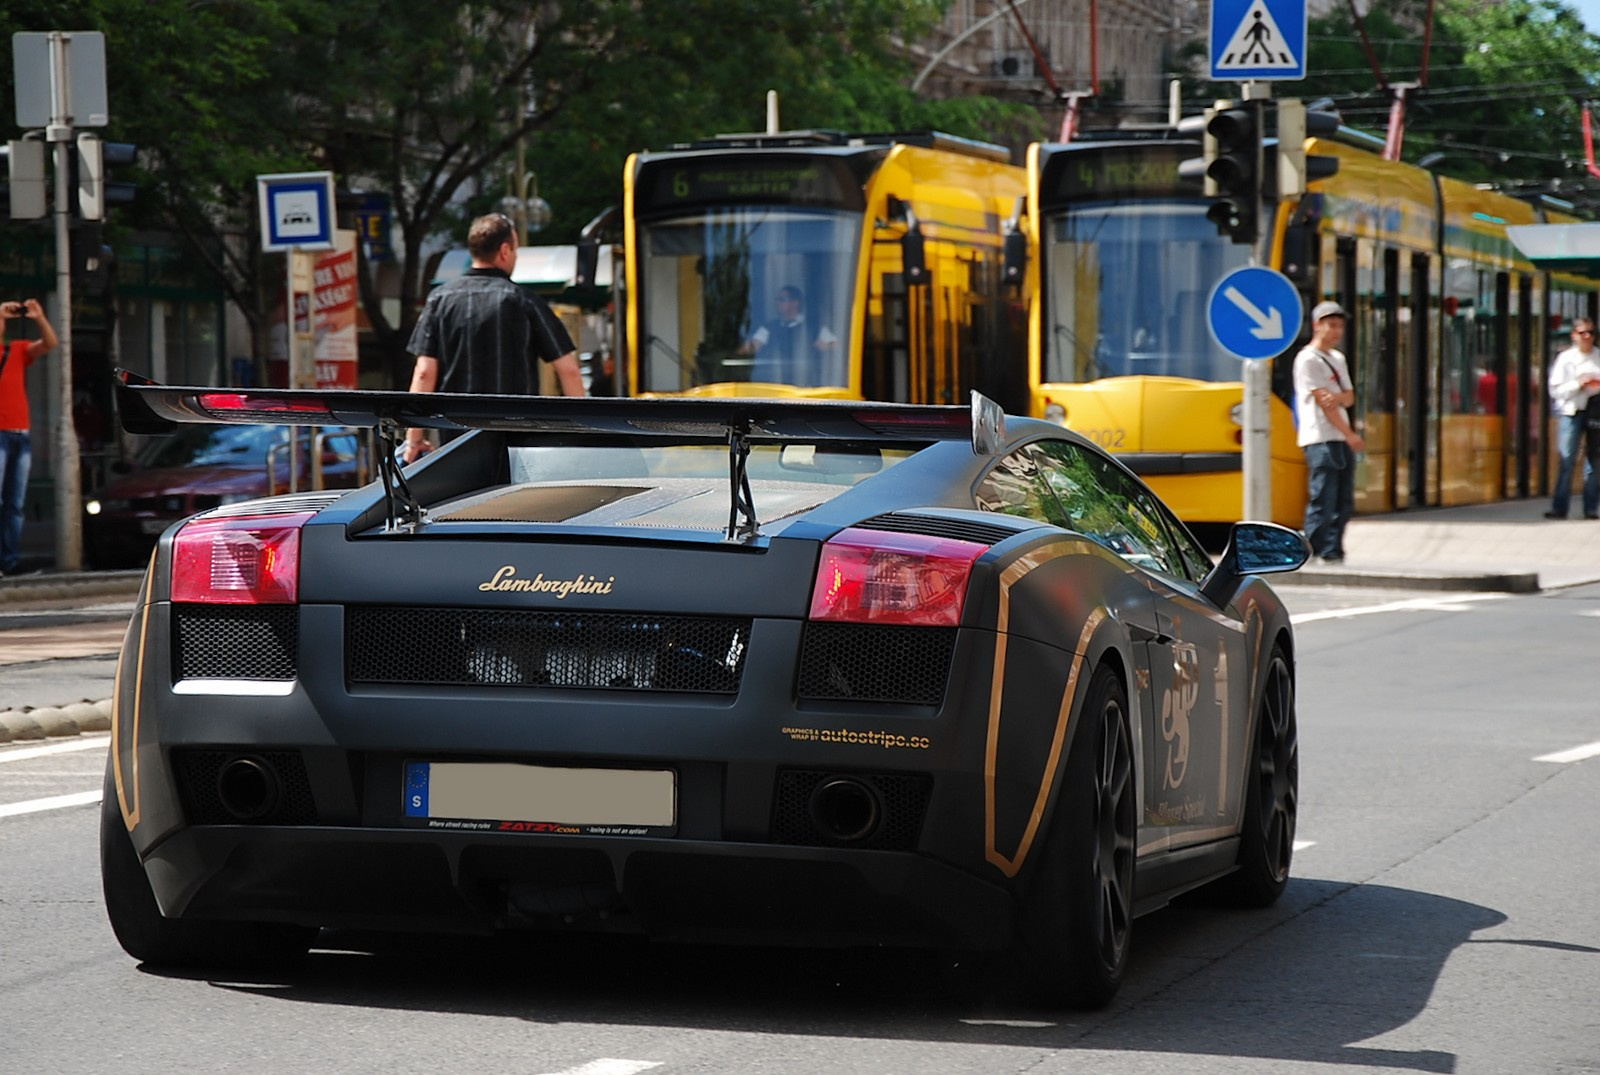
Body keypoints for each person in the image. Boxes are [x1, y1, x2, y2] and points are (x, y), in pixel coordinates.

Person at [403, 213, 585, 462]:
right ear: (504, 250)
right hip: (516, 443)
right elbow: (569, 371)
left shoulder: (440, 299)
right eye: (516, 250)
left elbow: (424, 372)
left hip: (455, 442)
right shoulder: (525, 301)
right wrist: (584, 433)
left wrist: (413, 440)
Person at [1293, 300, 1365, 563]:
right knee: (1323, 497)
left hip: (1338, 437)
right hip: (1320, 438)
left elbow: (1348, 397)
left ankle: (1333, 551)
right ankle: (1311, 550)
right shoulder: (1307, 359)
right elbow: (1328, 406)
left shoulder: (1338, 358)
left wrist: (1338, 398)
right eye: (1331, 325)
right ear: (1317, 326)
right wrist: (1350, 434)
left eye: (1340, 326)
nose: (1337, 331)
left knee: (1343, 501)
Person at [0, 298, 58, 577]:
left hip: (19, 435)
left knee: (15, 504)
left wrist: (38, 316)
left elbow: (50, 343)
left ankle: (10, 562)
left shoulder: (16, 350)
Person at [1544, 317, 1600, 519]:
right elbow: (1556, 390)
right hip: (1571, 412)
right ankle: (1560, 507)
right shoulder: (1566, 359)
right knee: (1567, 457)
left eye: (1591, 333)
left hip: (1595, 412)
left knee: (1594, 460)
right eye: (1583, 333)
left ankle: (1591, 508)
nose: (1587, 337)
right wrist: (1578, 383)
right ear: (1574, 335)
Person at [739, 285, 837, 384]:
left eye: (782, 299)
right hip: (776, 380)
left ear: (795, 303)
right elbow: (753, 346)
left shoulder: (814, 327)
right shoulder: (769, 328)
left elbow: (837, 346)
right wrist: (746, 349)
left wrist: (826, 346)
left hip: (806, 381)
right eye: (777, 300)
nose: (778, 303)